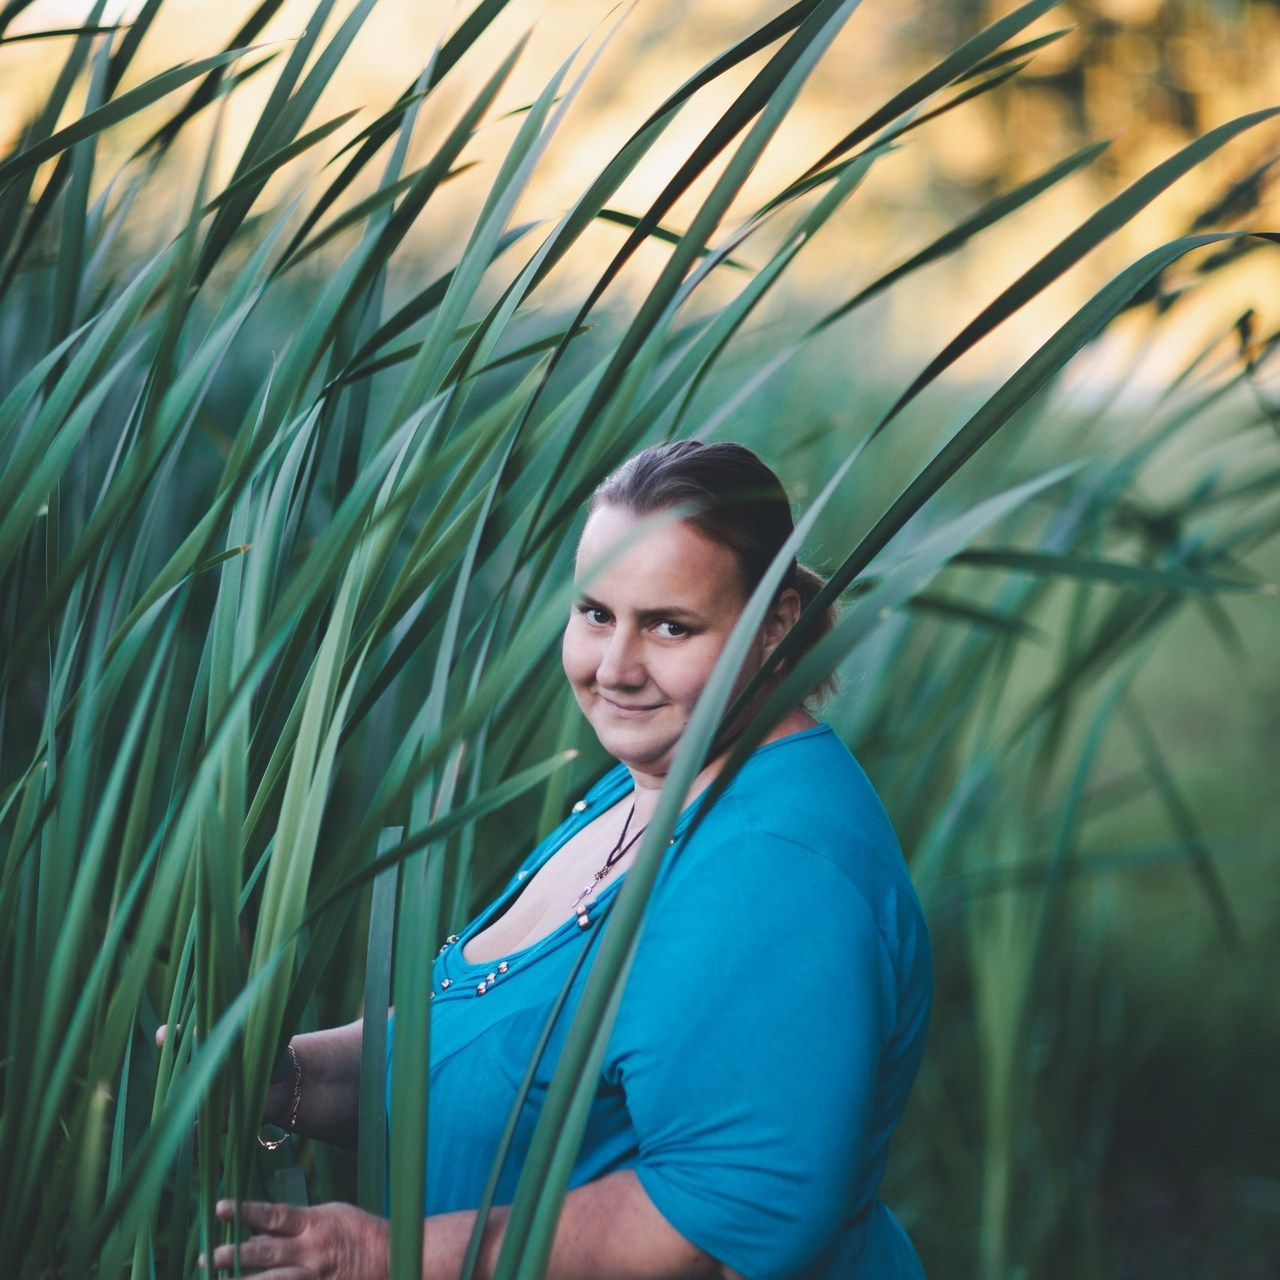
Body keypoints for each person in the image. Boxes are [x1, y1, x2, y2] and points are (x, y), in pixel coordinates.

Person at [203, 441, 933, 1280]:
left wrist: (380, 1254)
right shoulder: (648, 784)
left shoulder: (777, 871)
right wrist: (282, 1078)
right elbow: (483, 1057)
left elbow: (716, 1220)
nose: (615, 669)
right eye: (595, 613)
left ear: (775, 624)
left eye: (669, 625)